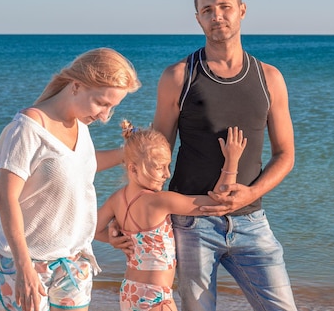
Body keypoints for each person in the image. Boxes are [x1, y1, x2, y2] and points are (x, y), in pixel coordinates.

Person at [148, 0, 297, 311]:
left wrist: (250, 193)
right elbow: (156, 157)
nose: (217, 15)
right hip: (191, 223)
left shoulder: (269, 78)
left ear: (241, 11)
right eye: (207, 10)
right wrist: (134, 213)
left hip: (252, 222)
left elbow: (285, 155)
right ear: (198, 18)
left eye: (225, 7)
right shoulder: (179, 77)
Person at [0, 48, 141, 311]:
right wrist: (24, 268)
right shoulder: (27, 128)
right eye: (102, 103)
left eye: (112, 108)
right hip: (25, 263)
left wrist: (126, 155)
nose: (104, 116)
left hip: (74, 263)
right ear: (77, 86)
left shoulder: (80, 124)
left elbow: (79, 166)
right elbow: (6, 198)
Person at [96, 120, 247, 311]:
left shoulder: (116, 199)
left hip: (129, 291)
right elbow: (218, 202)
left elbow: (92, 229)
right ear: (133, 168)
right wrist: (231, 161)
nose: (167, 174)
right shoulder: (160, 201)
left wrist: (113, 240)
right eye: (159, 168)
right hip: (155, 296)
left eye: (168, 166)